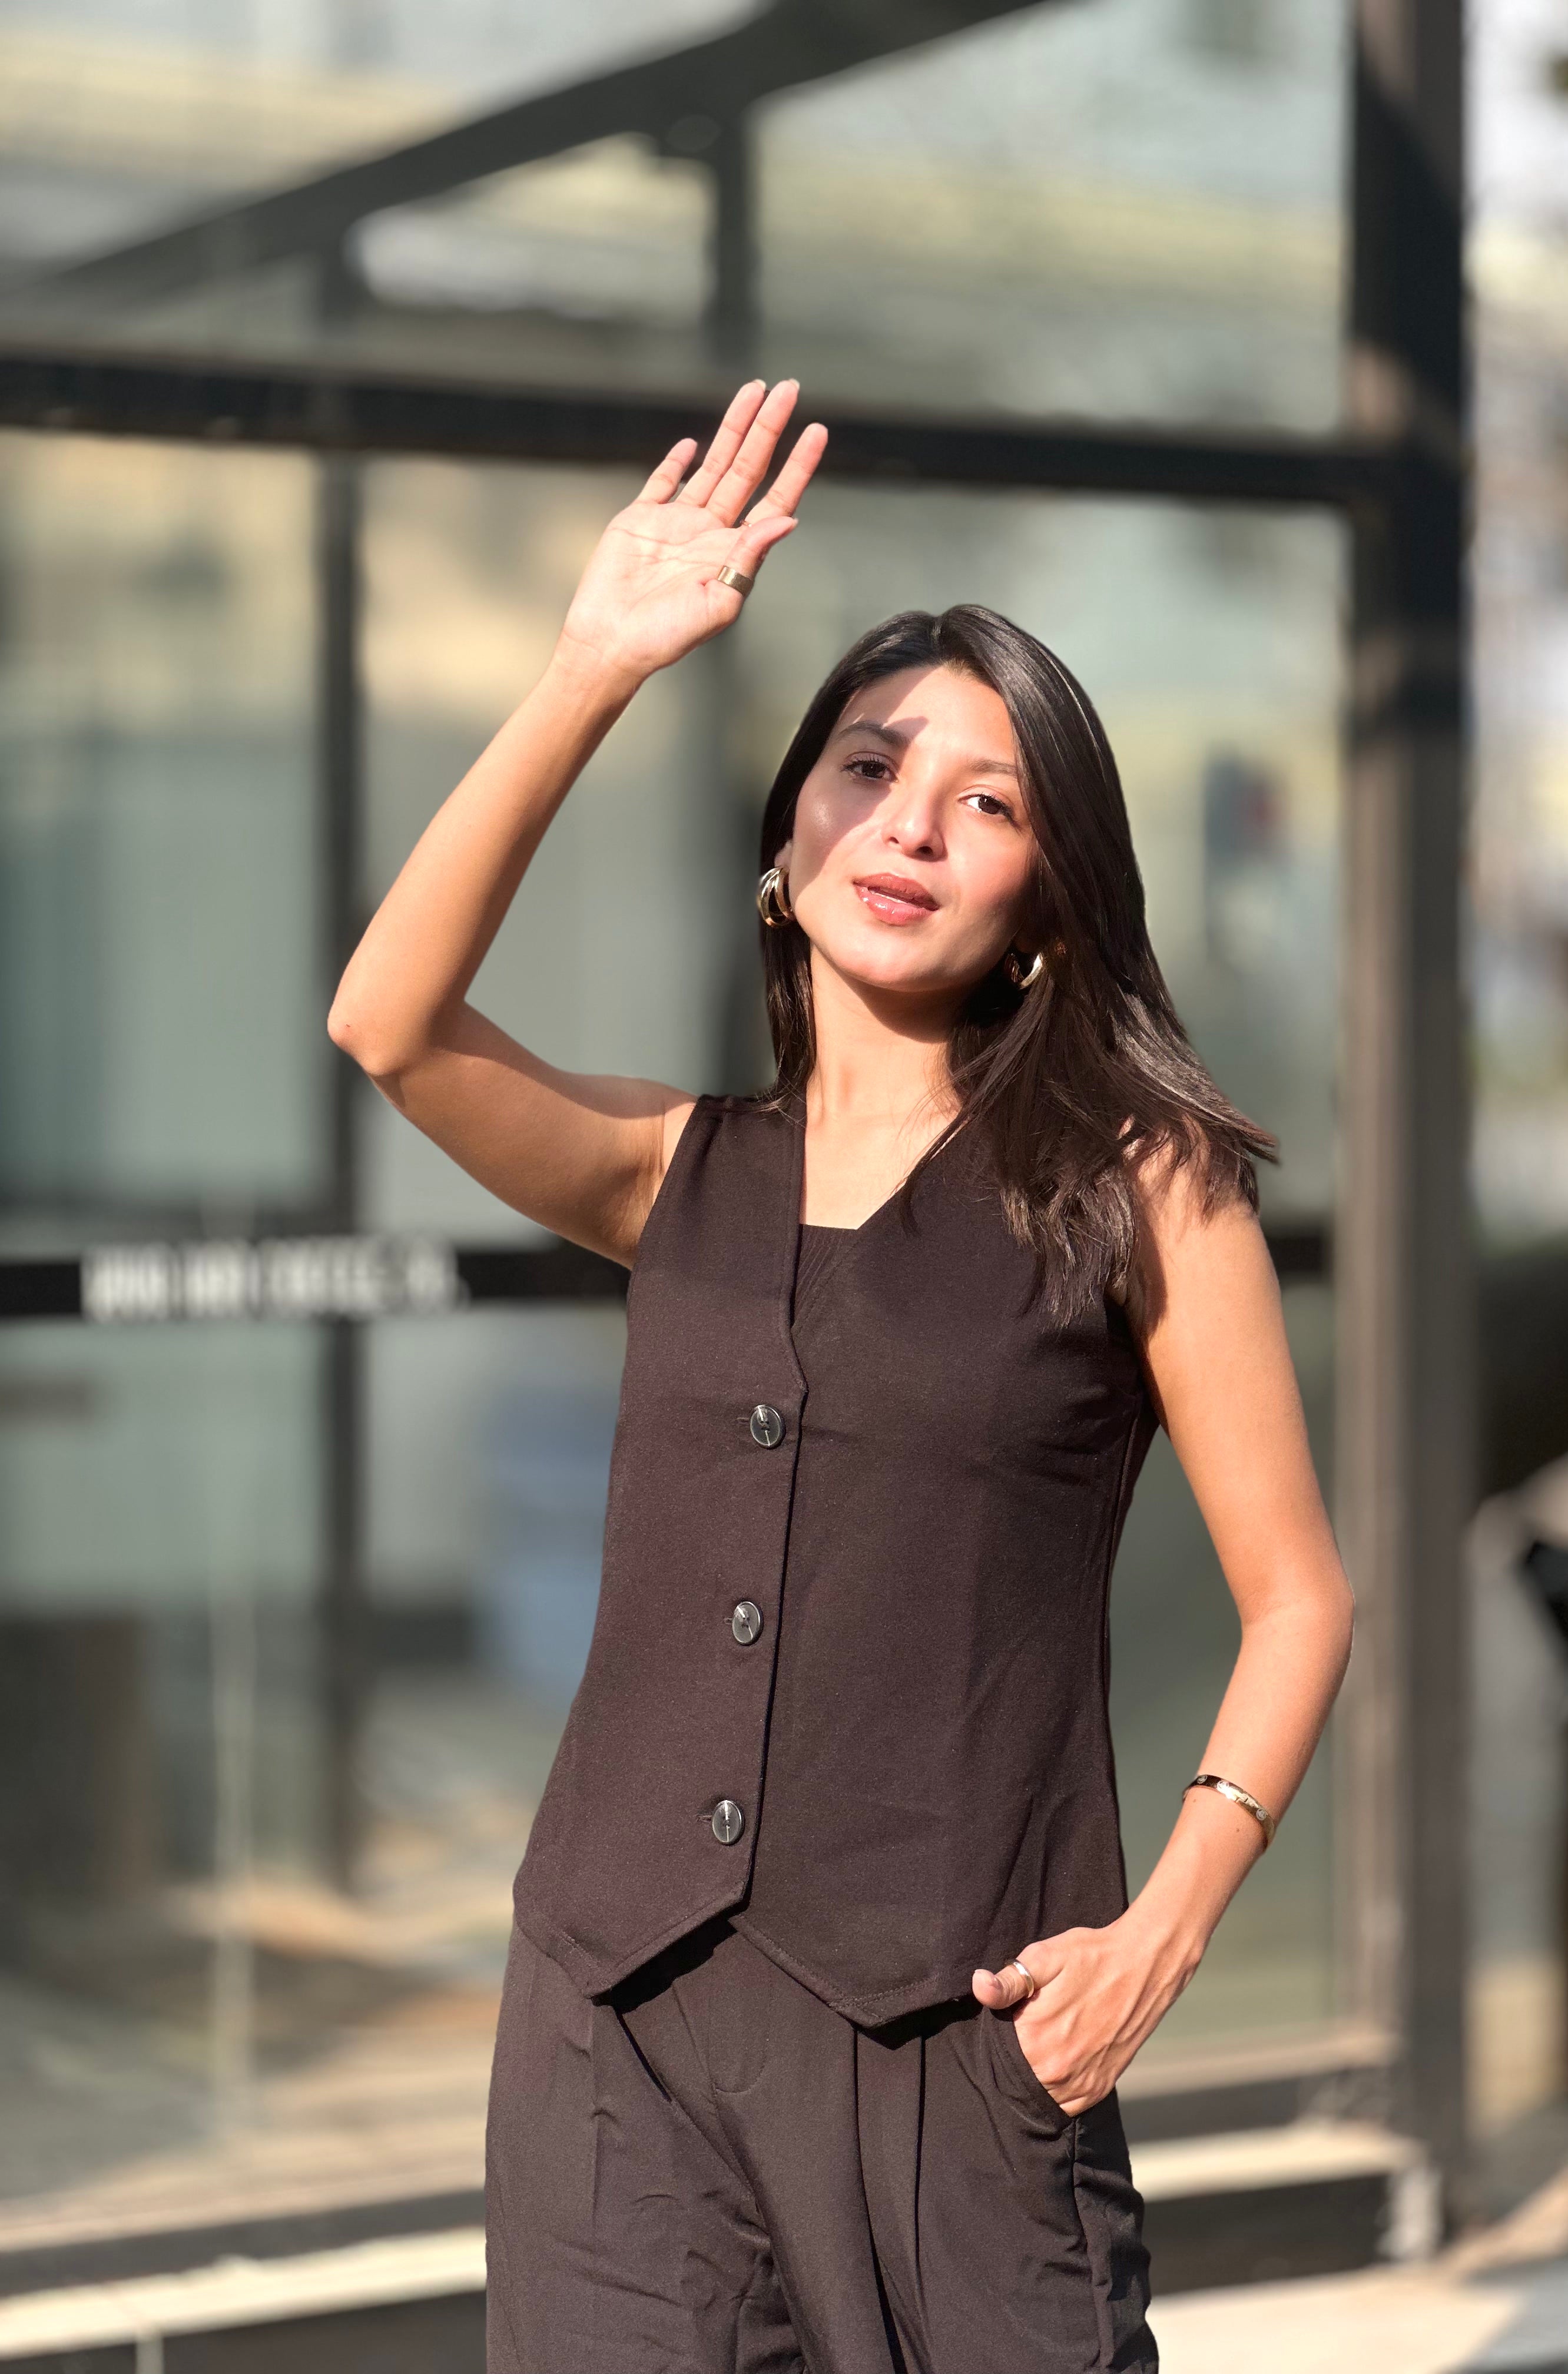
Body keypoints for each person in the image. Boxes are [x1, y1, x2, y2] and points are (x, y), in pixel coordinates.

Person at [328, 378, 1354, 2374]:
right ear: (786, 837)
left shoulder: (1142, 1185)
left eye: (990, 803)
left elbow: (1298, 1596)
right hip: (617, 2033)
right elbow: (390, 1018)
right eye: (870, 767)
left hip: (961, 2040)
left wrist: (1168, 1925)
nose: (913, 823)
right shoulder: (672, 1167)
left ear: (1046, 907)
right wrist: (593, 665)